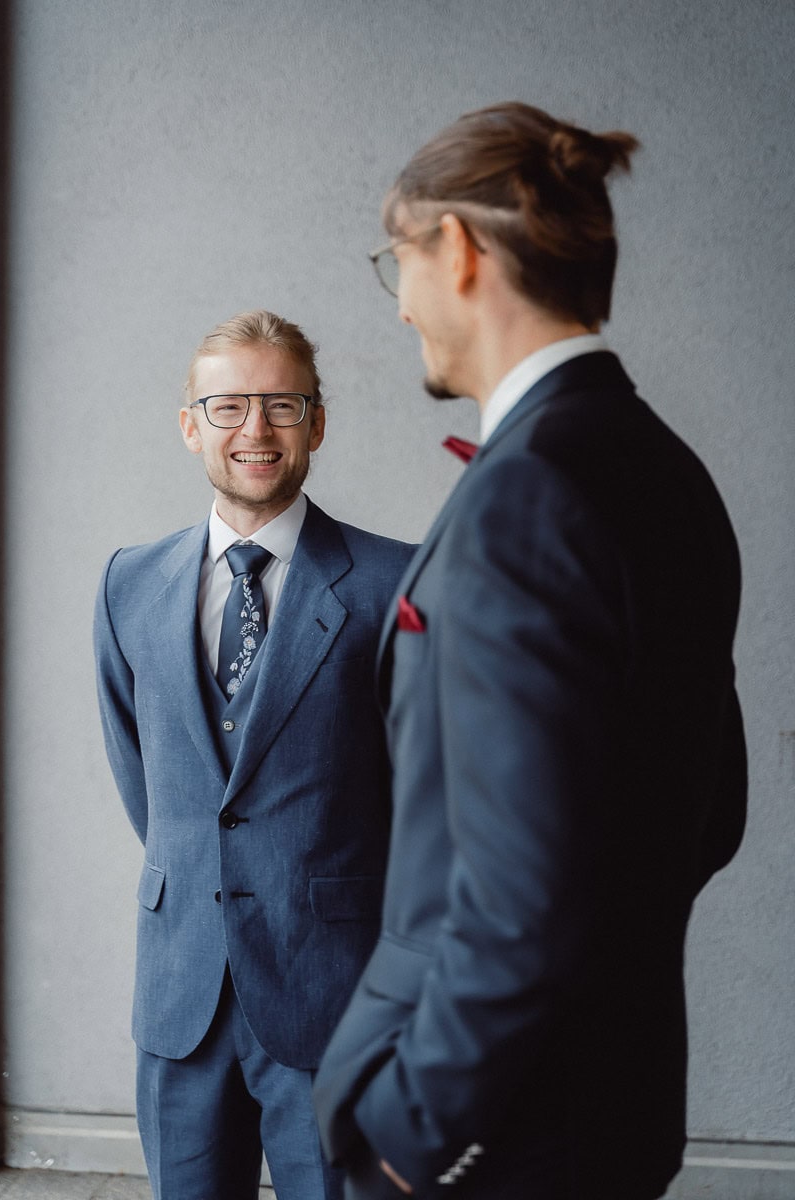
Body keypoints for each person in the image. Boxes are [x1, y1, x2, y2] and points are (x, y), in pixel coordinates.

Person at [313, 102, 747, 1200]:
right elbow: (712, 806)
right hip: (611, 1098)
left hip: (490, 1137)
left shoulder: (526, 497)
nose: (400, 301)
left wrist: (413, 1135)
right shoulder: (663, 469)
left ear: (455, 251)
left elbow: (518, 895)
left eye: (394, 262)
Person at [93, 309, 414, 1200]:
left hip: (336, 995)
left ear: (317, 421)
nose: (255, 430)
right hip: (180, 994)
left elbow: (431, 800)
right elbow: (145, 779)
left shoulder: (396, 584)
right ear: (190, 423)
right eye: (228, 405)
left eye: (281, 404)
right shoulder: (128, 582)